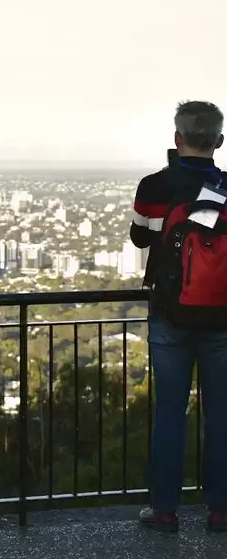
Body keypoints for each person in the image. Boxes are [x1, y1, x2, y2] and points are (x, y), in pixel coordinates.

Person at [131, 100, 227, 533]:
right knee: (222, 414)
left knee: (170, 412)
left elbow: (139, 237)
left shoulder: (155, 185)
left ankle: (165, 510)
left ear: (177, 138)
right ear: (219, 141)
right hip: (223, 317)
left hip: (170, 313)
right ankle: (221, 509)